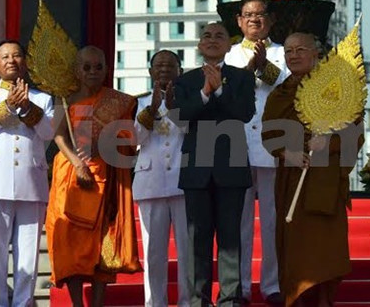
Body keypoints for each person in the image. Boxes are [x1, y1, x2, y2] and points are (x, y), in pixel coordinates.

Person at [261, 32, 363, 306]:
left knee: (323, 251)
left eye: (300, 50)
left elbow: (356, 133)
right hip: (291, 179)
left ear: (316, 53)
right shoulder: (280, 94)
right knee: (294, 250)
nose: (293, 56)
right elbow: (269, 134)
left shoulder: (336, 90)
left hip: (324, 181)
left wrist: (330, 142)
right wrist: (287, 153)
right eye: (289, 51)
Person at [46, 46, 141, 307]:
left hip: (106, 178)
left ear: (106, 69)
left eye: (98, 67)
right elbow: (59, 136)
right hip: (71, 177)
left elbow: (128, 137)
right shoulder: (65, 100)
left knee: (103, 245)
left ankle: (98, 303)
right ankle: (78, 304)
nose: (92, 72)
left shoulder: (118, 102)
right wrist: (77, 163)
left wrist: (106, 144)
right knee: (70, 243)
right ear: (77, 70)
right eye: (86, 67)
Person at [0, 40, 55, 307]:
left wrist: (27, 108)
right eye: (5, 57)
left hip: (31, 183)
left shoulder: (42, 98)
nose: (11, 61)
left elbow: (48, 133)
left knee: (28, 259)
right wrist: (6, 106)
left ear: (24, 62)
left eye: (17, 56)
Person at [176, 22, 256, 307]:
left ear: (228, 45)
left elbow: (245, 113)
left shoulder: (242, 78)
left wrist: (221, 90)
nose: (212, 40)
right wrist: (205, 93)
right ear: (199, 45)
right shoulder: (185, 81)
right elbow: (179, 117)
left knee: (230, 239)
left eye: (219, 36)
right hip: (196, 169)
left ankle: (229, 300)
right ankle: (198, 300)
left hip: (230, 167)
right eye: (206, 36)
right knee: (197, 239)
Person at [225, 0, 287, 305]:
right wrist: (252, 67)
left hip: (273, 144)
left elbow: (289, 87)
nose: (254, 20)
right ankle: (241, 286)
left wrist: (266, 68)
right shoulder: (230, 54)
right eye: (248, 15)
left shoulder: (284, 52)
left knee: (273, 220)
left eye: (260, 14)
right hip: (238, 147)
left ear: (270, 19)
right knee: (240, 221)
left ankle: (272, 285)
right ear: (238, 20)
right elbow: (228, 91)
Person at [134, 50, 193, 307]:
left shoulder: (189, 101)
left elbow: (192, 131)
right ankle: (154, 302)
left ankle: (187, 301)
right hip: (151, 182)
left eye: (170, 65)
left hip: (183, 181)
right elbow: (134, 139)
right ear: (150, 72)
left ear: (179, 71)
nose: (164, 70)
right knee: (153, 253)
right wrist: (153, 108)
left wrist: (174, 106)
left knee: (186, 251)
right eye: (159, 66)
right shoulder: (137, 103)